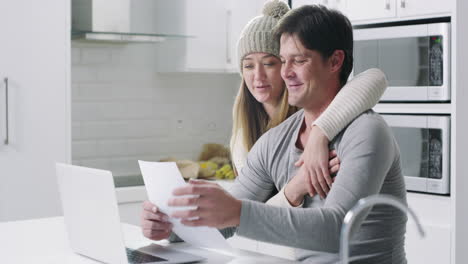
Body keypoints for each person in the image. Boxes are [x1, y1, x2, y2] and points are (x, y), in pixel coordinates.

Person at [142, 2, 407, 263]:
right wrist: (171, 227)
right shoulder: (274, 142)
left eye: (299, 60)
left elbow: (336, 229)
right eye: (282, 61)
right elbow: (222, 222)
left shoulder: (367, 132)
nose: (286, 72)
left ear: (335, 61)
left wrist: (238, 212)